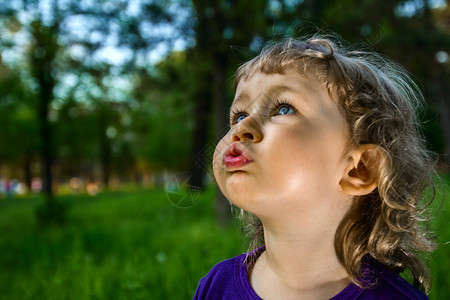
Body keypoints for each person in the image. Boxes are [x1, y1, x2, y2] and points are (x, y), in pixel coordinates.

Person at [193, 35, 436, 299]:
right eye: (239, 115)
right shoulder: (217, 285)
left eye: (283, 109)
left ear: (359, 170)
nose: (241, 128)